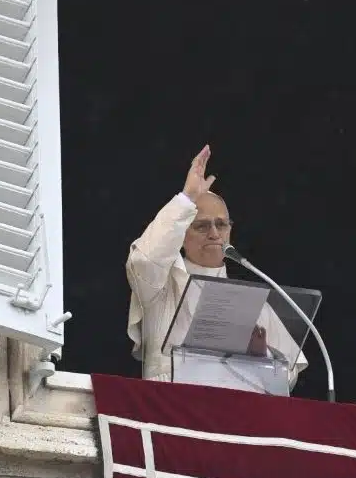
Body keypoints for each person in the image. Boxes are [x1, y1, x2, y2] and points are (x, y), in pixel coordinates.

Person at [126, 145, 307, 385]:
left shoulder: (252, 303)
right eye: (201, 226)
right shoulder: (161, 289)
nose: (214, 233)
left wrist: (262, 356)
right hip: (173, 403)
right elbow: (142, 260)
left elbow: (288, 375)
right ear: (182, 234)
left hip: (234, 406)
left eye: (221, 225)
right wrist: (186, 198)